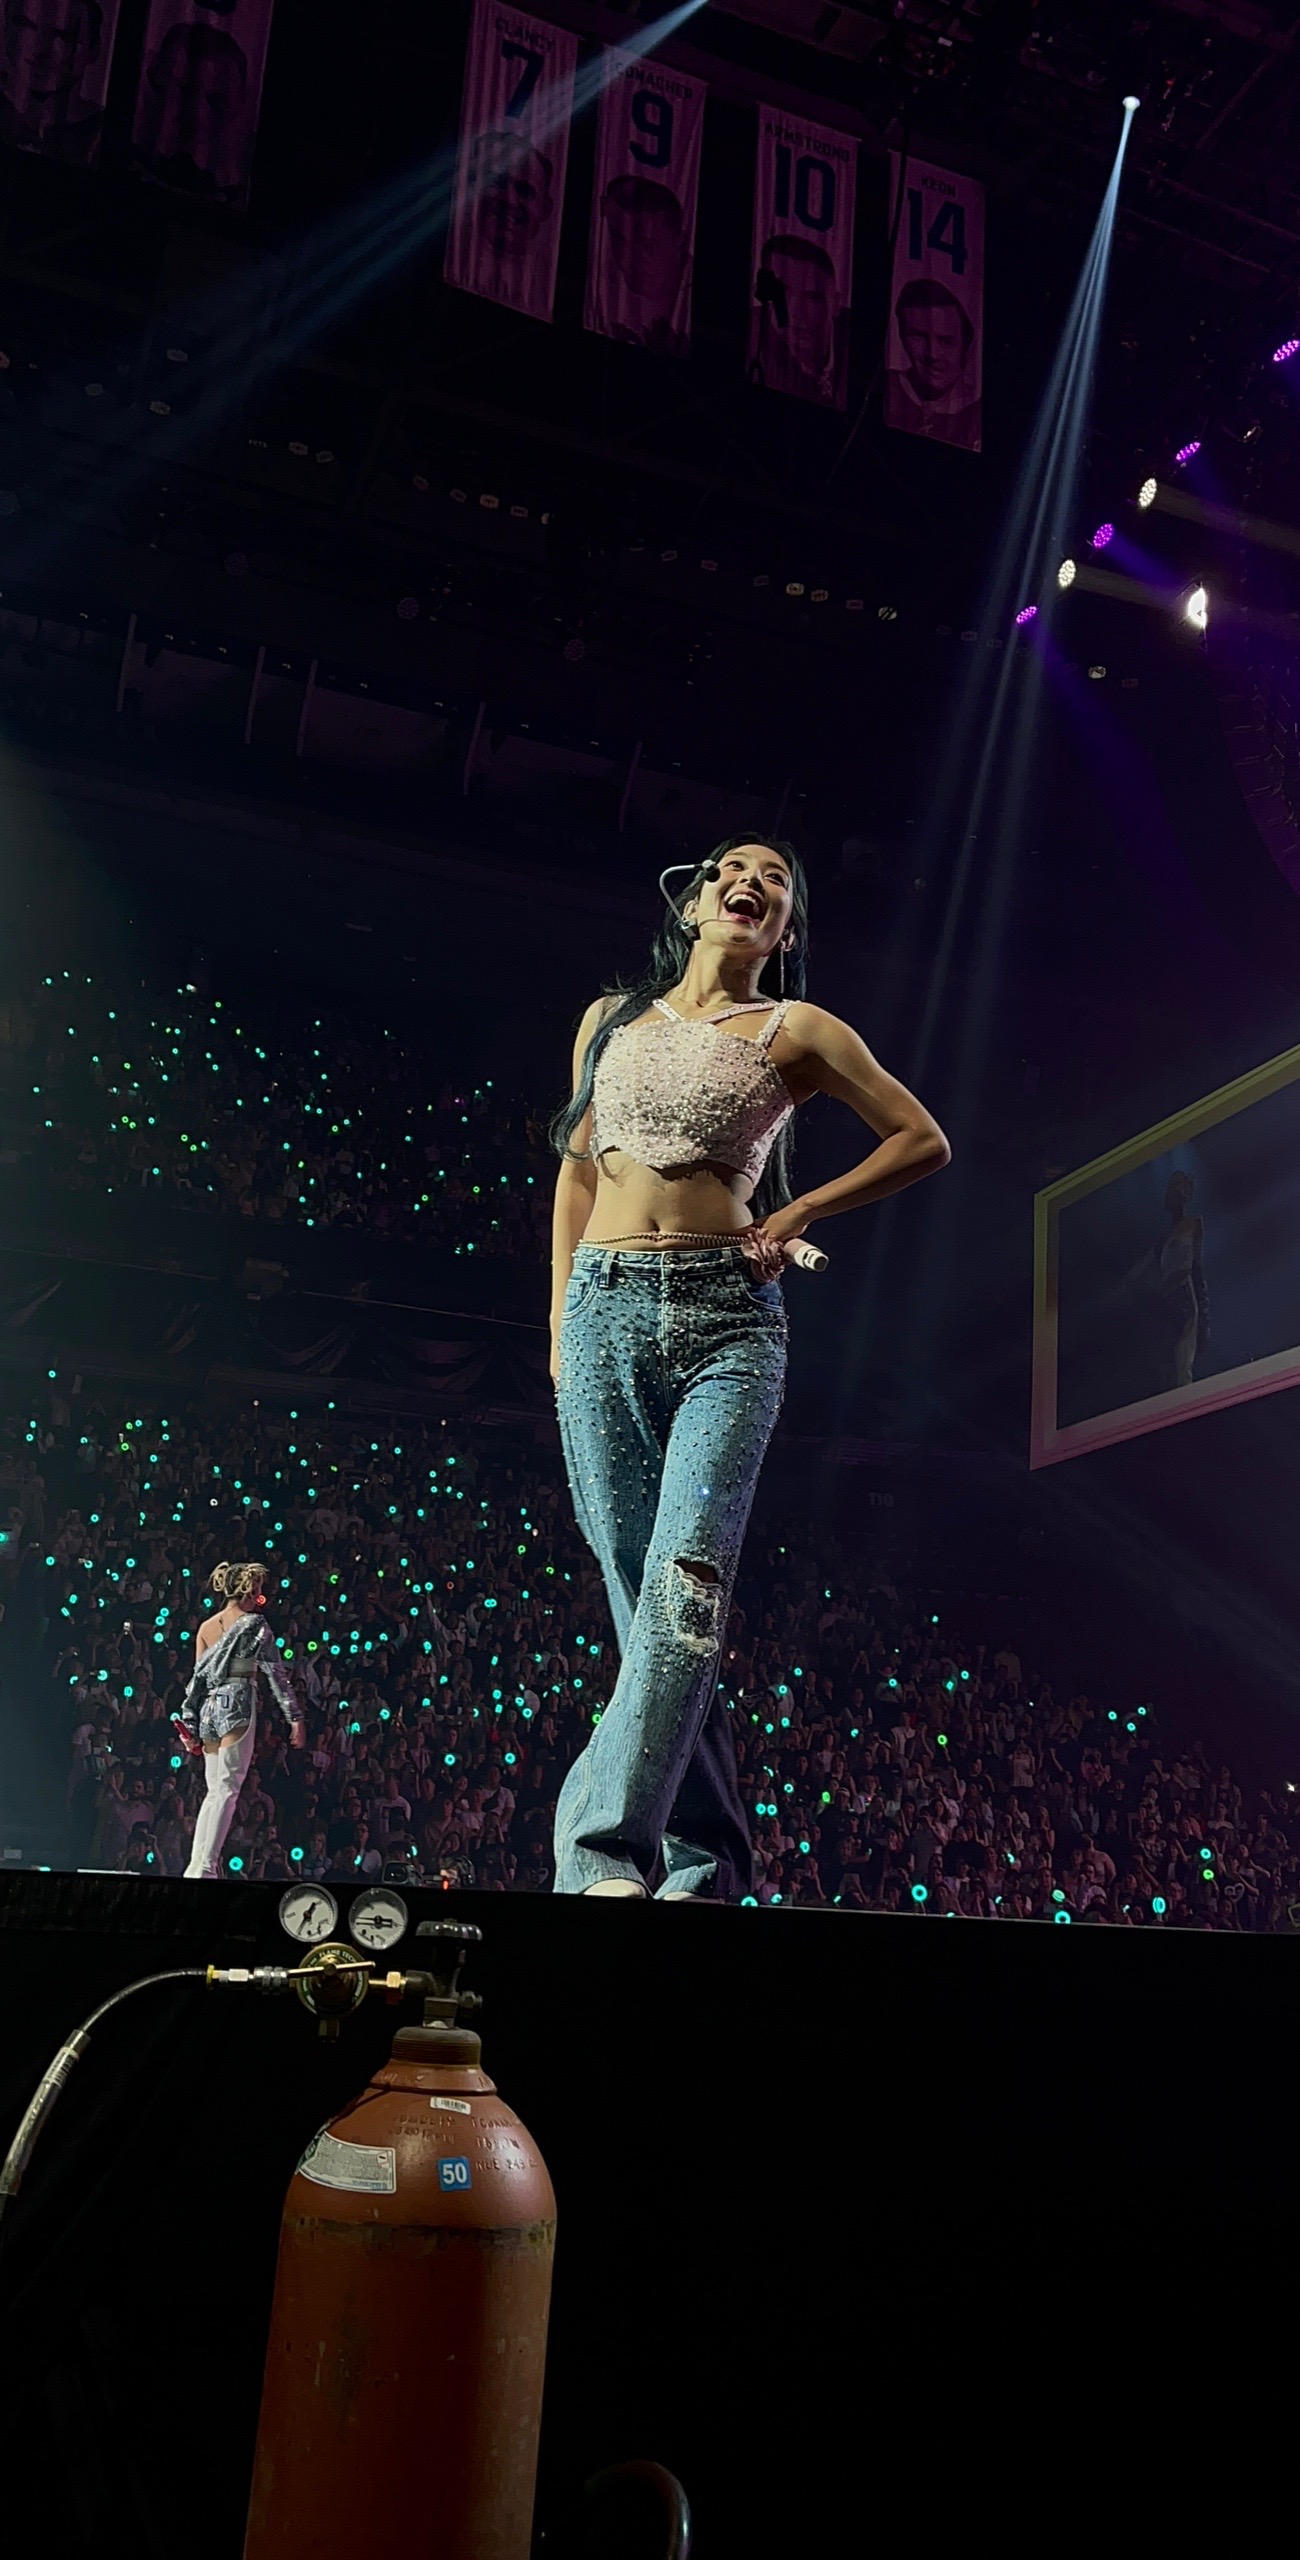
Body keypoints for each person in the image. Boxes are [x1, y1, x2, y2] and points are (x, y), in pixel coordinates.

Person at [548, 835, 949, 1899]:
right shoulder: (609, 1021)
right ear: (691, 905)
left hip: (729, 1323)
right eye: (734, 869)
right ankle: (709, 1860)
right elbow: (576, 1178)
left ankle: (602, 1852)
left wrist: (802, 1206)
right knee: (642, 1604)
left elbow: (921, 1138)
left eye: (776, 881)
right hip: (600, 1311)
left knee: (686, 1585)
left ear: (785, 929)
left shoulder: (798, 1028)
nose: (751, 883)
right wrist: (558, 1327)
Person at [175, 1559, 304, 1880]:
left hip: (209, 1710)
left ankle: (197, 1865)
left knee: (215, 1790)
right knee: (228, 1788)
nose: (260, 1595)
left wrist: (190, 1724)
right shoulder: (254, 1625)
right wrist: (295, 1717)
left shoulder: (206, 1627)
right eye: (257, 1588)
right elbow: (276, 1675)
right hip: (238, 1703)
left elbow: (197, 1682)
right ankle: (206, 1867)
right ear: (247, 1589)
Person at [0, 0, 107, 164]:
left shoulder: (106, 136)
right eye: (26, 26)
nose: (40, 49)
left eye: (63, 35)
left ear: (93, 49)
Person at [597, 173, 689, 356]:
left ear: (679, 241)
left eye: (646, 245)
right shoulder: (604, 283)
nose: (625, 260)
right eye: (618, 239)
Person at [751, 235, 848, 405]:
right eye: (783, 294)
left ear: (835, 303)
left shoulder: (854, 341)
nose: (797, 313)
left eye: (813, 298)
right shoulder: (754, 338)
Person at [886, 279, 980, 448]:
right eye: (919, 336)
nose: (933, 354)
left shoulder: (978, 413)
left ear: (964, 346)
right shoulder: (887, 388)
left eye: (945, 341)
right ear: (902, 338)